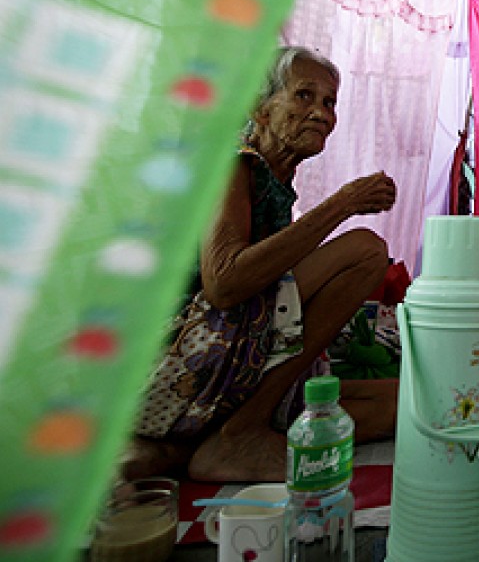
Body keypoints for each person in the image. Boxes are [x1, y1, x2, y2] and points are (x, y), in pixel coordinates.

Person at [124, 46, 399, 483]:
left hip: (228, 362)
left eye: (329, 102)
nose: (321, 113)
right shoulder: (232, 163)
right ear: (261, 108)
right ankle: (240, 434)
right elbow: (225, 283)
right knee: (364, 251)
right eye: (304, 96)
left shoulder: (275, 182)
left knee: (401, 403)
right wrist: (341, 205)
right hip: (175, 356)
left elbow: (275, 286)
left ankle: (192, 446)